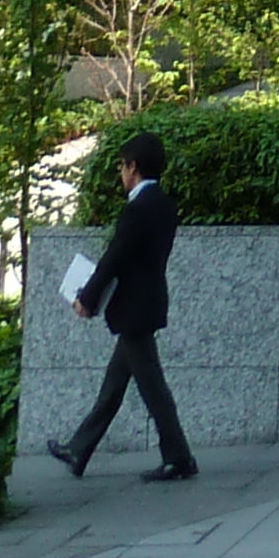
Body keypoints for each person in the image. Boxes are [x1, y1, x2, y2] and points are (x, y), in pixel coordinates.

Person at [47, 130, 197, 482]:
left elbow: (116, 257)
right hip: (146, 304)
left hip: (132, 310)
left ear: (133, 167)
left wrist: (87, 296)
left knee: (153, 388)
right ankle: (78, 450)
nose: (120, 173)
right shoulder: (164, 204)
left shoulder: (137, 209)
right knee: (114, 386)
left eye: (122, 166)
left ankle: (179, 457)